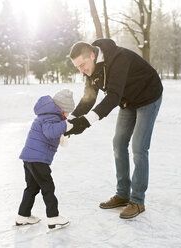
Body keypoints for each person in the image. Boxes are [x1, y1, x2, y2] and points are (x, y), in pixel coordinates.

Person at [65, 39, 163, 219]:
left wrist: (85, 123)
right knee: (118, 143)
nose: (82, 70)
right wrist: (70, 122)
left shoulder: (119, 58)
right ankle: (123, 194)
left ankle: (137, 200)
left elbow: (113, 96)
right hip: (128, 101)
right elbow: (88, 98)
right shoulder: (90, 70)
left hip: (148, 97)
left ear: (92, 55)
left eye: (83, 64)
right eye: (77, 66)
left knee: (139, 147)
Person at [16, 89, 74, 229]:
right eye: (67, 112)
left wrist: (63, 133)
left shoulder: (46, 115)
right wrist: (66, 125)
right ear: (62, 109)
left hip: (29, 158)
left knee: (32, 187)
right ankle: (53, 217)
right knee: (48, 187)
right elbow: (50, 132)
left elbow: (50, 133)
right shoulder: (52, 117)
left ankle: (22, 216)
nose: (67, 115)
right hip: (38, 159)